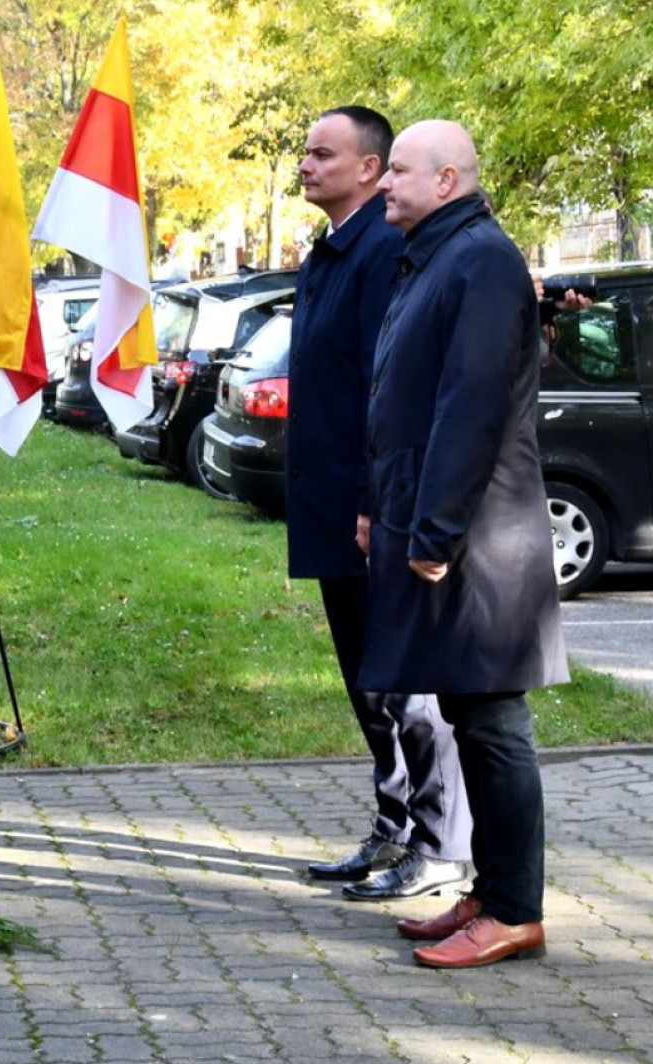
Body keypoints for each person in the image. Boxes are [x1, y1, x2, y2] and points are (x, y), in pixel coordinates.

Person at [361, 121, 567, 969]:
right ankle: (491, 890)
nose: (385, 184)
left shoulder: (480, 258)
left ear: (447, 180)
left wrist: (436, 528)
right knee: (466, 710)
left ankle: (516, 911)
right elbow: (409, 401)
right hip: (443, 523)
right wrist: (386, 507)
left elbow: (472, 406)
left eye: (399, 171)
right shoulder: (436, 254)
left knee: (491, 719)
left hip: (479, 536)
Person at [286, 106, 472, 901]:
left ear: (367, 168)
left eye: (322, 154)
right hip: (331, 504)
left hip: (373, 513)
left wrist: (372, 504)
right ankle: (395, 828)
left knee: (406, 686)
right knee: (368, 684)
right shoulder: (331, 251)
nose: (305, 164)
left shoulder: (382, 251)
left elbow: (386, 390)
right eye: (304, 152)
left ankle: (441, 845)